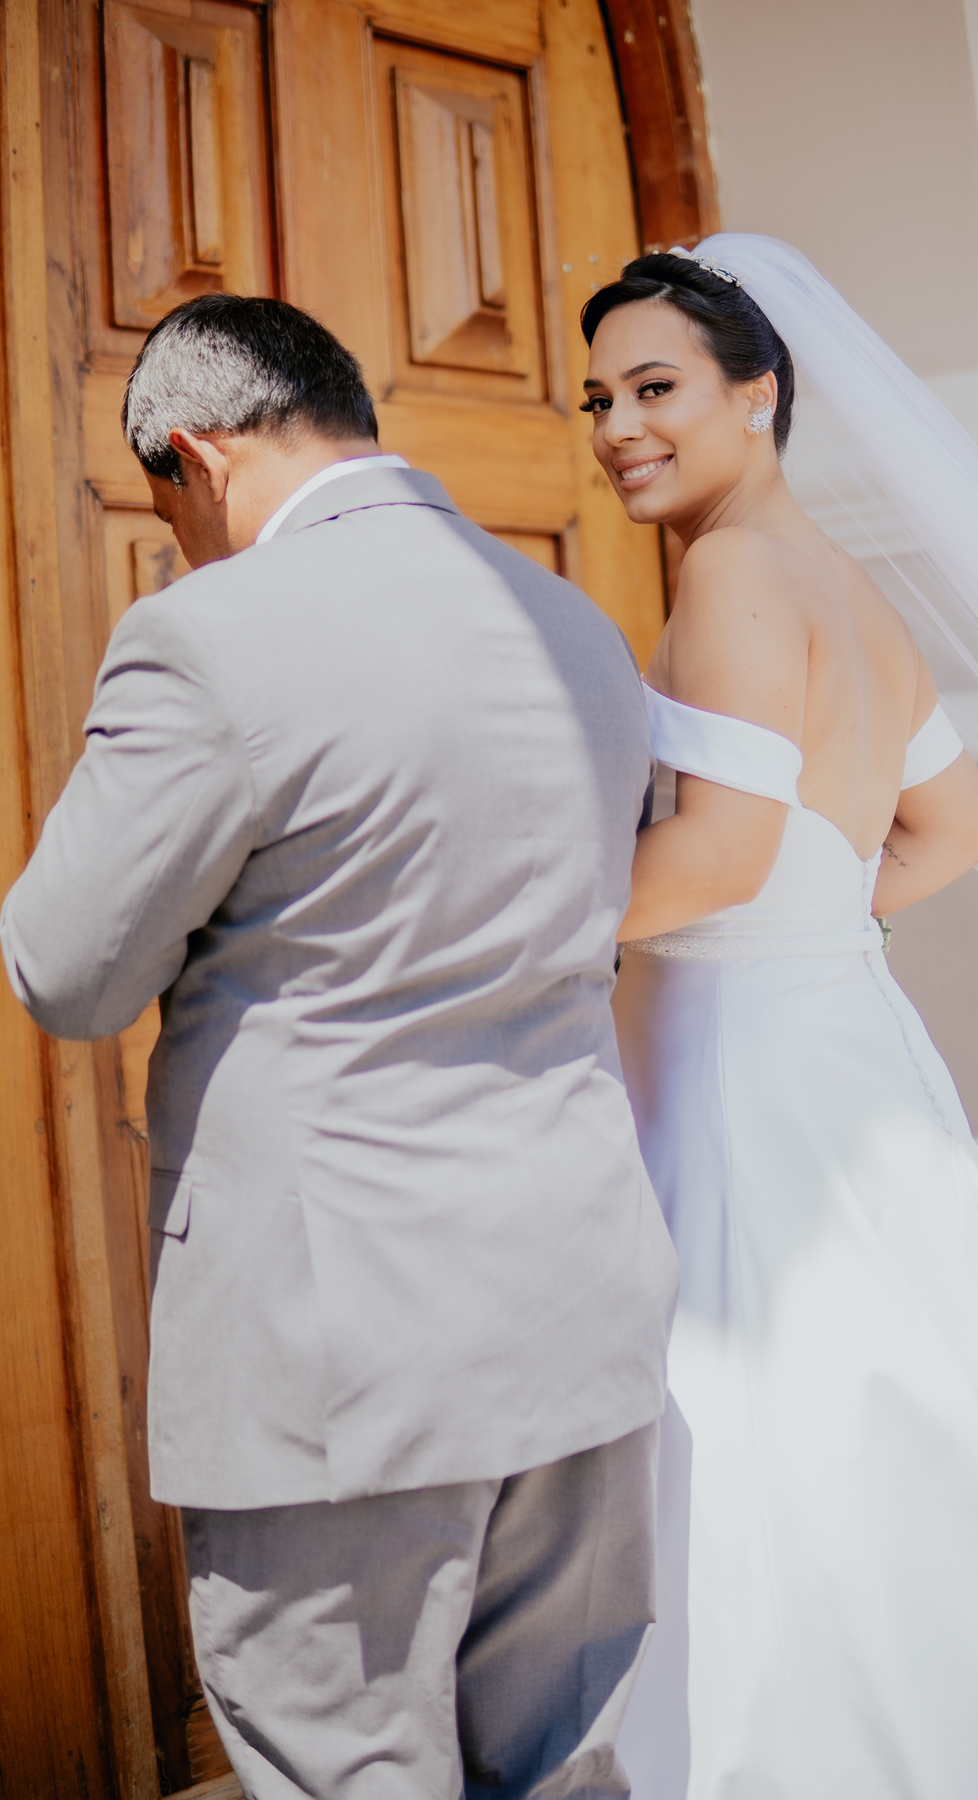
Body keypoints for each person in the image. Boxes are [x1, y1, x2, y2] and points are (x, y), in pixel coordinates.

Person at [0, 293, 678, 1799]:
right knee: (563, 1767)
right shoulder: (575, 625)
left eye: (168, 510)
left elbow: (67, 968)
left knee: (342, 1765)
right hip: (578, 1297)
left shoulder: (209, 640)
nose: (184, 546)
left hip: (345, 1345)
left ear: (196, 456)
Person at [580, 243, 978, 1797]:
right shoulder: (849, 587)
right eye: (598, 399)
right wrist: (819, 926)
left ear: (758, 394)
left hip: (744, 1078)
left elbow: (718, 855)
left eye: (654, 389)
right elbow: (953, 829)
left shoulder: (731, 577)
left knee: (779, 1418)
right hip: (841, 1041)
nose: (617, 427)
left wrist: (503, 927)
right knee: (932, 1391)